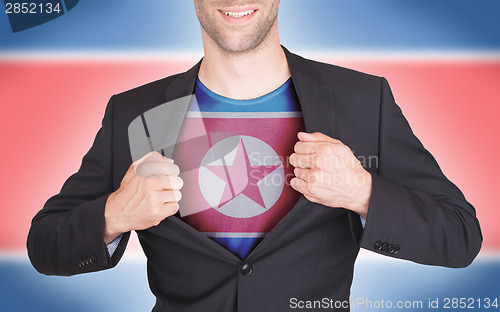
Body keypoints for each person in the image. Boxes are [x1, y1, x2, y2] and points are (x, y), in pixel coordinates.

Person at [27, 1, 482, 311]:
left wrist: (363, 192)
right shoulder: (136, 113)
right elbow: (45, 246)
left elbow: (460, 236)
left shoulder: (362, 100)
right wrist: (114, 214)